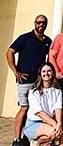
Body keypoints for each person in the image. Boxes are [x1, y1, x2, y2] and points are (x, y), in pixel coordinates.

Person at [6, 14, 52, 146]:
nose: (41, 25)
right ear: (35, 23)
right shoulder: (24, 38)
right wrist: (16, 72)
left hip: (39, 83)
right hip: (25, 82)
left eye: (43, 23)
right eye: (38, 22)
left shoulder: (47, 41)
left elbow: (51, 58)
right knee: (24, 108)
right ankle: (16, 138)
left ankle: (26, 136)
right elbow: (9, 52)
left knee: (36, 110)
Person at [23, 62, 63, 145]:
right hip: (34, 123)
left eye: (49, 71)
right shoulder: (33, 91)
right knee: (54, 132)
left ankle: (61, 144)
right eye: (44, 71)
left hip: (50, 121)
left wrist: (59, 123)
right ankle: (37, 142)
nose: (46, 73)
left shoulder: (57, 91)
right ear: (40, 74)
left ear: (53, 73)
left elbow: (58, 108)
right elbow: (39, 113)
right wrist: (56, 125)